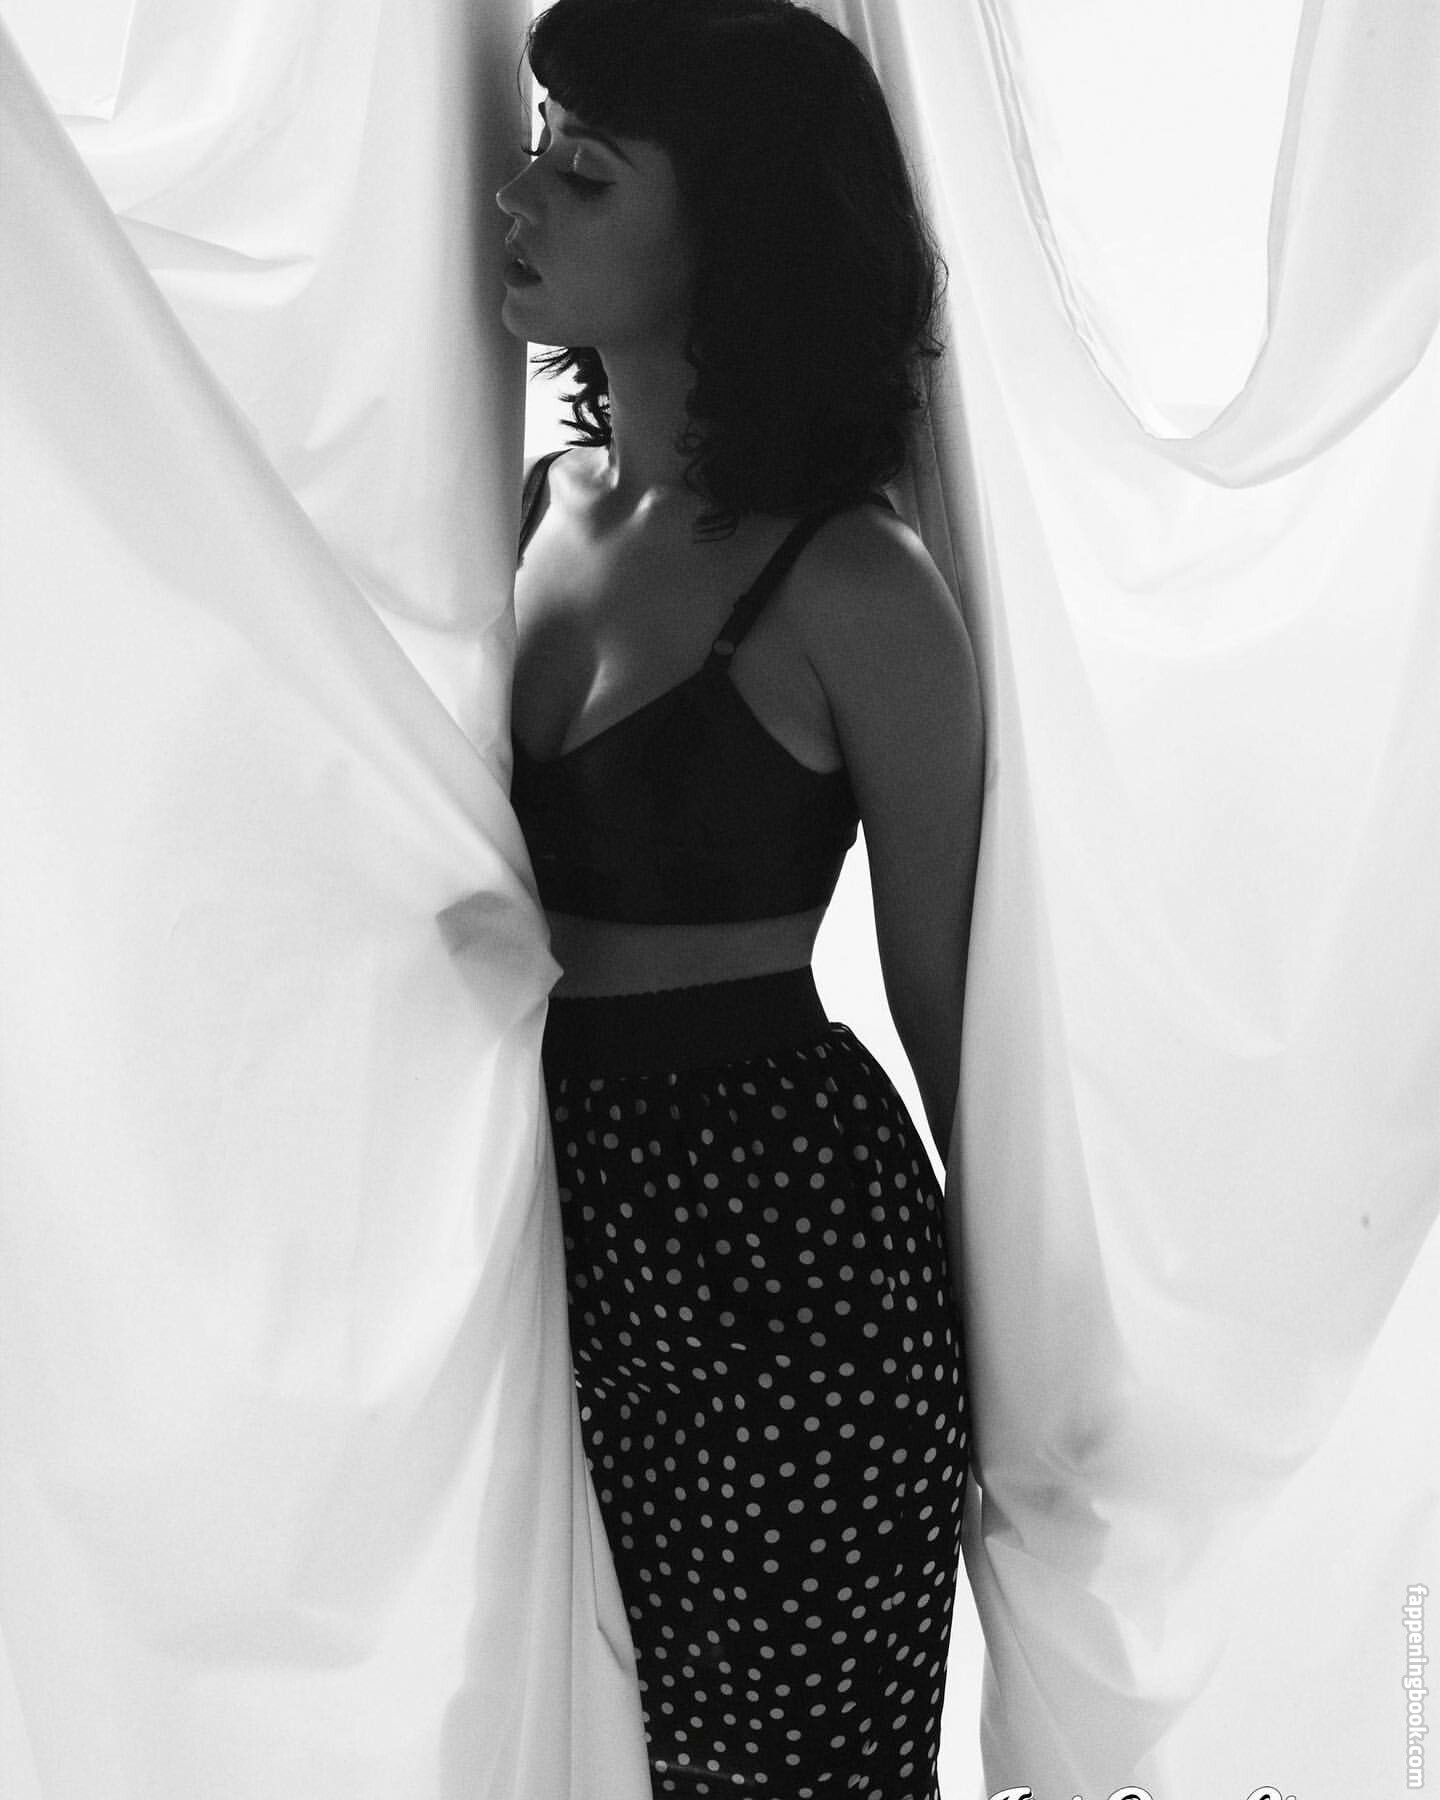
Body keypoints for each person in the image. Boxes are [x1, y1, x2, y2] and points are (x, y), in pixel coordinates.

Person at [496, 2, 983, 1793]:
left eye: (584, 172)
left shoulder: (857, 587)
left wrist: (1039, 1384)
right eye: (539, 148)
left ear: (737, 236)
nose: (515, 198)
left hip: (786, 1265)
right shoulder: (521, 510)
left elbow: (958, 1026)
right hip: (547, 1233)